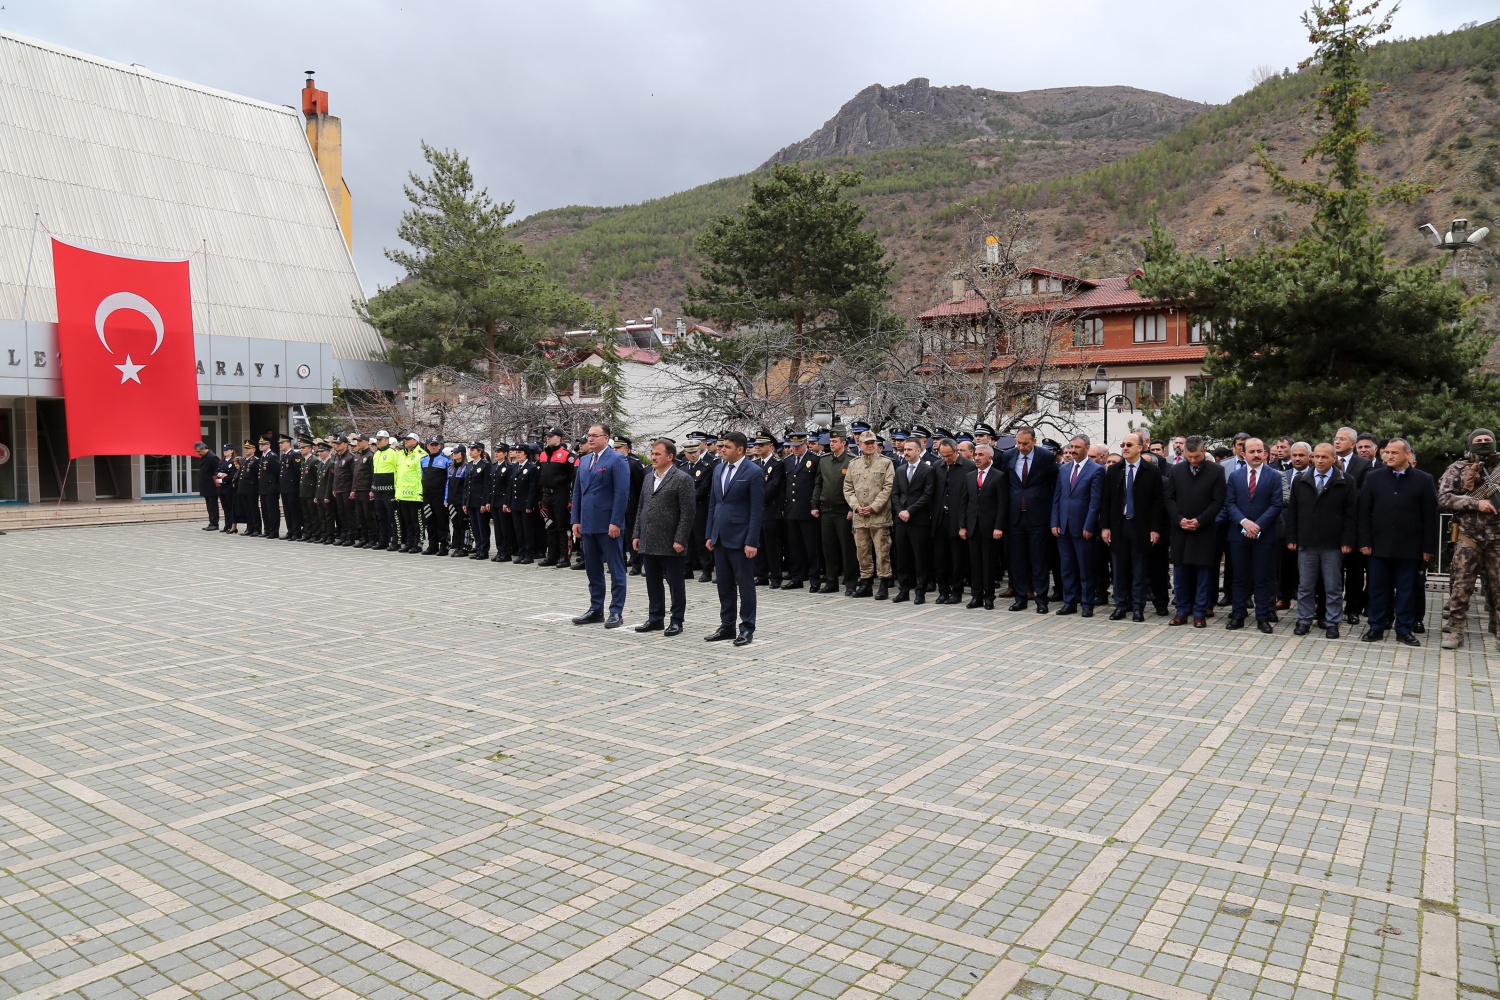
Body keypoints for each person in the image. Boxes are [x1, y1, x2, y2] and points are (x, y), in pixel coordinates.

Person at [1359, 438, 1438, 645]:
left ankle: (1404, 629)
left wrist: (1428, 547)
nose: (1389, 456)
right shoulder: (1373, 477)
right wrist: (1364, 541)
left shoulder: (1424, 479)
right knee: (1377, 588)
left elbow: (1430, 515)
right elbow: (1364, 512)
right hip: (1378, 545)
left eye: (1394, 453)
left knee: (1406, 589)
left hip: (1410, 546)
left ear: (1408, 455)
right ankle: (1376, 627)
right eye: (1387, 453)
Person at [1285, 441, 1357, 638]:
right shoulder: (1301, 480)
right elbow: (1293, 512)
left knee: (1333, 586)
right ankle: (1304, 620)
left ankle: (1333, 622)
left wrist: (1348, 540)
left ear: (1334, 459)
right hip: (1306, 542)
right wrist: (1291, 536)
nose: (1319, 460)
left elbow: (1351, 514)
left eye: (1324, 457)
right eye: (1316, 456)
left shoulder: (1346, 480)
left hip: (1333, 544)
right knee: (1305, 585)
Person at [704, 431, 764, 645]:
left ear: (740, 449)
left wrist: (751, 541)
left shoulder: (754, 472)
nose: (722, 450)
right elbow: (714, 504)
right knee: (724, 584)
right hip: (720, 537)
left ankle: (747, 628)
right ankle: (727, 625)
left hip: (741, 539)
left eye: (727, 447)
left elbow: (757, 510)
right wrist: (710, 534)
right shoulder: (719, 468)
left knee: (745, 585)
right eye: (721, 446)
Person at [632, 438, 696, 635]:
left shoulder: (682, 479)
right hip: (649, 539)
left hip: (671, 542)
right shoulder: (648, 477)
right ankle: (655, 618)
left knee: (675, 584)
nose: (653, 457)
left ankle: (677, 620)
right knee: (652, 582)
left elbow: (688, 512)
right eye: (652, 453)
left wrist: (680, 539)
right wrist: (636, 534)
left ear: (670, 457)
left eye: (657, 454)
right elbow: (641, 508)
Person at [570, 423, 631, 628]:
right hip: (588, 523)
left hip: (608, 524)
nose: (590, 439)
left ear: (606, 438)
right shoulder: (585, 459)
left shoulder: (617, 459)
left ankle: (616, 611)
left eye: (595, 436)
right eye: (589, 435)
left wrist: (616, 521)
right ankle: (596, 609)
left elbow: (621, 494)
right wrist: (576, 520)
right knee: (593, 569)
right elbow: (577, 492)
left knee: (615, 568)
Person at [1101, 433, 1166, 623]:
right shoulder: (1114, 470)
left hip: (1141, 527)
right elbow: (1106, 501)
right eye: (1123, 445)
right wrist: (1105, 527)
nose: (1125, 448)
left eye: (1129, 444)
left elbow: (1157, 503)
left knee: (1139, 570)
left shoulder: (1151, 471)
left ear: (1140, 447)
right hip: (1119, 526)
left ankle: (1138, 608)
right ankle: (1121, 606)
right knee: (1119, 570)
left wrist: (1155, 529)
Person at [1163, 435, 1226, 627]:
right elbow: (1169, 498)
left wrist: (1200, 521)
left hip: (1203, 530)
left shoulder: (1216, 471)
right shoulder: (1176, 470)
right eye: (1189, 457)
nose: (1193, 461)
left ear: (1204, 451)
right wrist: (1179, 519)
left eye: (1197, 457)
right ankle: (1181, 611)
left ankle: (1200, 612)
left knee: (1203, 574)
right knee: (1180, 573)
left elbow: (1218, 501)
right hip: (1180, 530)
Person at [1224, 437, 1284, 632]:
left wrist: (1257, 526)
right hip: (1239, 534)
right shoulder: (1235, 476)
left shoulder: (1274, 476)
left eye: (1260, 451)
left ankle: (1262, 618)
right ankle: (1238, 615)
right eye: (1252, 451)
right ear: (1244, 455)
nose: (1256, 454)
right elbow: (1230, 503)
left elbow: (1276, 504)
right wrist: (1244, 523)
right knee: (1240, 577)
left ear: (1265, 454)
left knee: (1262, 578)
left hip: (1264, 535)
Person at [1003, 427, 1058, 613]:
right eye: (1018, 442)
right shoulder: (1008, 456)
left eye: (1025, 443)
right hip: (1015, 517)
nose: (1021, 447)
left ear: (1034, 441)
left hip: (1038, 517)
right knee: (1018, 560)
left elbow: (1054, 485)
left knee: (1039, 560)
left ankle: (1041, 599)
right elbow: (1006, 484)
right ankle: (1020, 598)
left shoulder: (1045, 457)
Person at [1051, 435, 1103, 617]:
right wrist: (1055, 522)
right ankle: (1069, 602)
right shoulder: (1064, 469)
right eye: (1071, 446)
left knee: (1085, 569)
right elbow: (1057, 497)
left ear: (1087, 449)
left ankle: (1087, 604)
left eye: (1077, 447)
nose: (1072, 450)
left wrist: (1089, 525)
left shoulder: (1096, 470)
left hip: (1083, 528)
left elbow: (1095, 502)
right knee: (1067, 568)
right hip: (1064, 527)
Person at [844, 430, 895, 600]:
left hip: (879, 516)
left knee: (882, 551)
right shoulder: (853, 464)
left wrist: (874, 507)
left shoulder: (886, 463)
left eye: (873, 442)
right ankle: (865, 582)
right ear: (860, 444)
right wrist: (856, 507)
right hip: (860, 517)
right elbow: (848, 489)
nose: (870, 445)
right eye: (867, 443)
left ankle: (884, 583)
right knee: (862, 551)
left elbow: (888, 488)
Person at [958, 443, 1006, 609]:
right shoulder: (970, 476)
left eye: (981, 455)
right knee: (975, 564)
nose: (977, 458)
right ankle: (976, 596)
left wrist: (998, 527)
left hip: (990, 528)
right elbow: (964, 502)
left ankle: (988, 597)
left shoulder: (999, 476)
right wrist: (962, 526)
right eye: (976, 454)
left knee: (988, 564)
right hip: (973, 527)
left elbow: (1002, 505)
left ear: (990, 458)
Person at [890, 438, 937, 603]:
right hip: (901, 520)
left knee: (920, 558)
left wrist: (910, 511)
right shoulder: (901, 470)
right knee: (902, 557)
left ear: (919, 450)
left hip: (919, 520)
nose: (906, 452)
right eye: (905, 449)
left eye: (910, 449)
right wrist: (901, 511)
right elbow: (895, 494)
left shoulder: (927, 470)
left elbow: (928, 495)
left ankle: (920, 592)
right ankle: (903, 590)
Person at [812, 427, 857, 595]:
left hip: (844, 511)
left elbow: (856, 487)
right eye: (830, 441)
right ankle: (831, 582)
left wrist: (853, 508)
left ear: (843, 443)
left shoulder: (852, 461)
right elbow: (818, 484)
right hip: (826, 510)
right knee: (828, 548)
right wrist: (814, 505)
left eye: (834, 441)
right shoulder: (823, 460)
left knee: (847, 548)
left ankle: (851, 583)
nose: (831, 444)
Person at [933, 438, 975, 604]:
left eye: (949, 455)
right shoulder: (937, 467)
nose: (946, 459)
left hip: (958, 519)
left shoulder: (969, 467)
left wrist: (964, 524)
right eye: (942, 455)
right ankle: (943, 590)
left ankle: (956, 591)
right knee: (940, 558)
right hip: (940, 519)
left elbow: (970, 498)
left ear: (957, 451)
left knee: (958, 558)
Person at [781, 431, 820, 590]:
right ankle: (796, 578)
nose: (795, 449)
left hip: (807, 510)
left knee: (811, 548)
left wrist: (814, 506)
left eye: (798, 446)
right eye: (792, 446)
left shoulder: (815, 460)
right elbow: (786, 485)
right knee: (794, 547)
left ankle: (814, 580)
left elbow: (817, 485)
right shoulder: (788, 461)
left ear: (805, 444)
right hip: (791, 510)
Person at [1276, 442, 1313, 609]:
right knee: (1285, 564)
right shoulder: (1282, 475)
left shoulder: (1315, 475)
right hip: (1285, 527)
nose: (1297, 459)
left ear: (1309, 457)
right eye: (1295, 455)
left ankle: (1306, 599)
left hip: (1308, 528)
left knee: (1307, 566)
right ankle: (1283, 597)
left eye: (1301, 455)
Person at [752, 434, 786, 588]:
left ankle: (775, 576)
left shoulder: (777, 464)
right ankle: (761, 575)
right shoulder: (755, 463)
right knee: (759, 544)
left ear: (771, 447)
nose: (757, 447)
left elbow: (773, 487)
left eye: (762, 444)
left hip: (771, 510)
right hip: (757, 511)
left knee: (772, 546)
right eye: (757, 444)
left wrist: (755, 499)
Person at [538, 428, 575, 568]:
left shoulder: (567, 455)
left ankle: (564, 557)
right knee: (549, 526)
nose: (548, 438)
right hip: (546, 494)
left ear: (559, 438)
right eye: (547, 436)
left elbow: (574, 476)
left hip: (560, 494)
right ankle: (551, 556)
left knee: (562, 526)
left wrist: (570, 497)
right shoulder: (543, 455)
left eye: (551, 436)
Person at [613, 436, 647, 576]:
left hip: (631, 506)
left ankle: (636, 563)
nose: (615, 450)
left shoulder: (633, 464)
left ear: (626, 450)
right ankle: (620, 562)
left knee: (631, 535)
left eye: (618, 448)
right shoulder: (612, 463)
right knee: (617, 536)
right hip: (617, 505)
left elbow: (640, 487)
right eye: (614, 448)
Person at [394, 432, 425, 553]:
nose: (406, 441)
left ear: (415, 441)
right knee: (407, 521)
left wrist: (420, 492)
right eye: (405, 439)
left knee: (416, 521)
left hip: (415, 494)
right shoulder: (400, 454)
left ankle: (418, 543)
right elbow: (398, 473)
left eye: (409, 439)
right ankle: (409, 542)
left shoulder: (421, 455)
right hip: (402, 493)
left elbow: (421, 475)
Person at [371, 430, 399, 550]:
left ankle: (395, 541)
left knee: (392, 517)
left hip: (389, 491)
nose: (377, 442)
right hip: (378, 491)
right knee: (381, 517)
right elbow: (374, 472)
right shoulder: (376, 454)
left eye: (380, 439)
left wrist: (396, 488)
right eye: (377, 439)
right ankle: (383, 541)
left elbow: (398, 471)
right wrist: (373, 487)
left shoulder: (393, 453)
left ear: (387, 440)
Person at [464, 443, 491, 560]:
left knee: (482, 526)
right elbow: (466, 485)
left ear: (480, 451)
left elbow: (487, 486)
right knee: (475, 527)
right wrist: (465, 502)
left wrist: (484, 502)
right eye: (470, 449)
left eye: (473, 450)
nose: (470, 452)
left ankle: (484, 550)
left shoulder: (485, 465)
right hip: (471, 501)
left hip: (480, 501)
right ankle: (478, 548)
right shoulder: (470, 465)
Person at [350, 435, 375, 548]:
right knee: (361, 516)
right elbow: (355, 474)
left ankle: (372, 539)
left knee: (369, 516)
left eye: (360, 441)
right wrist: (353, 489)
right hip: (358, 489)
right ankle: (364, 538)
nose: (358, 443)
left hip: (366, 490)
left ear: (366, 442)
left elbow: (373, 473)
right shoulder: (358, 456)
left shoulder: (371, 455)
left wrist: (372, 489)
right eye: (357, 441)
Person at [277, 435, 303, 541]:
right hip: (284, 488)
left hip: (292, 488)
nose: (280, 445)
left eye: (282, 443)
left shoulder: (294, 455)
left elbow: (298, 473)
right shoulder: (283, 456)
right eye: (279, 443)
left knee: (294, 510)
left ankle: (297, 532)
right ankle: (290, 530)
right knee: (287, 511)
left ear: (289, 443)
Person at [236, 438, 262, 536]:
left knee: (254, 509)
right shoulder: (245, 460)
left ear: (254, 450)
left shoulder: (255, 460)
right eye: (245, 448)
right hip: (244, 489)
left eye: (248, 448)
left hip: (252, 489)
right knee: (247, 509)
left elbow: (257, 476)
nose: (246, 450)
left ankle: (257, 528)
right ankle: (250, 527)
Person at [257, 436, 281, 540]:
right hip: (263, 487)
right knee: (265, 510)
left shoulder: (272, 456)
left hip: (271, 488)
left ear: (269, 445)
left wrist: (274, 487)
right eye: (260, 444)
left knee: (272, 510)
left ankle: (274, 531)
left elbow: (277, 472)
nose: (261, 446)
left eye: (263, 444)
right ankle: (267, 529)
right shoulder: (263, 456)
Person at [194, 442, 220, 530]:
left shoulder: (212, 457)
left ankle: (215, 523)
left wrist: (217, 483)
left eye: (198, 451)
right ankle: (211, 522)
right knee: (209, 505)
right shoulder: (205, 457)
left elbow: (218, 470)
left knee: (213, 505)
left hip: (211, 486)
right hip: (206, 485)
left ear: (204, 448)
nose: (198, 453)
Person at [297, 438, 319, 541]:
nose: (301, 449)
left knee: (313, 515)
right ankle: (307, 533)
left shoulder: (314, 461)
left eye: (304, 447)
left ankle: (315, 534)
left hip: (311, 492)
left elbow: (316, 478)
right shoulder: (304, 460)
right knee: (306, 515)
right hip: (304, 492)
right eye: (301, 447)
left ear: (310, 449)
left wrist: (316, 493)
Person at [215, 444, 236, 532]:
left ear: (231, 451)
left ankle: (232, 525)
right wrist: (220, 474)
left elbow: (233, 475)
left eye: (227, 450)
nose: (225, 452)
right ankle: (227, 524)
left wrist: (222, 480)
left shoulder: (233, 461)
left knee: (230, 507)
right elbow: (216, 471)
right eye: (224, 450)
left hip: (229, 487)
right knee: (225, 507)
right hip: (222, 488)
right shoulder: (222, 461)